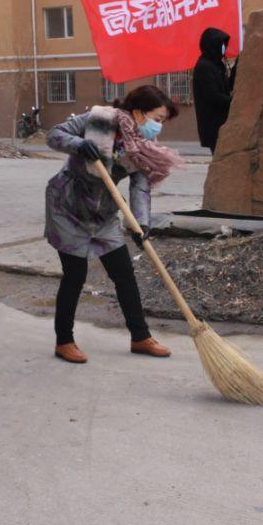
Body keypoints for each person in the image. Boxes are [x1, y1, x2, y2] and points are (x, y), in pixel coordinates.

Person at [44, 85, 185, 363]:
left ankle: (141, 337)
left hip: (104, 212)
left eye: (162, 122)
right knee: (75, 274)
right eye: (156, 119)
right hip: (68, 206)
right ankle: (64, 341)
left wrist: (141, 224)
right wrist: (78, 144)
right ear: (138, 112)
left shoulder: (144, 149)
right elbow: (54, 135)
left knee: (123, 273)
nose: (158, 127)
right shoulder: (99, 119)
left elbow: (140, 188)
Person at [191, 27, 234, 154]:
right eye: (222, 45)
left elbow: (227, 87)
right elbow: (213, 96)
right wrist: (234, 102)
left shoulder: (217, 65)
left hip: (223, 124)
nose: (224, 48)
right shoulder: (204, 67)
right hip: (214, 125)